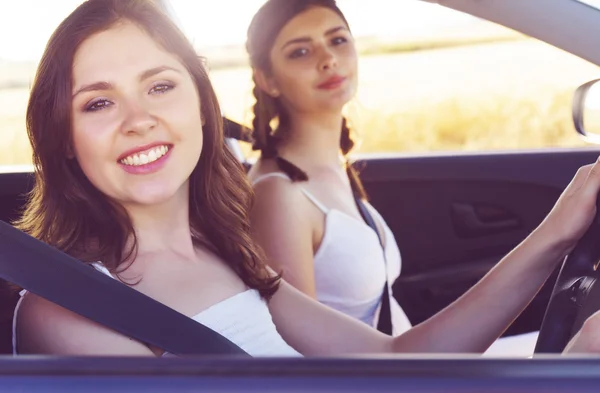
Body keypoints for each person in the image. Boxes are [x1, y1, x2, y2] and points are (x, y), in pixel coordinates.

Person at [9, 0, 600, 356]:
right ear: (62, 138)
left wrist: (556, 233)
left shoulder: (224, 253)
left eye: (161, 87)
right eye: (97, 104)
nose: (140, 121)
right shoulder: (66, 307)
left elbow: (397, 361)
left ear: (200, 107)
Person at [242, 0, 587, 355]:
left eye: (338, 40)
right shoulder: (277, 195)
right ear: (267, 79)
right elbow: (300, 361)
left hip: (414, 360)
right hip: (399, 374)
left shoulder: (333, 167)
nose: (327, 58)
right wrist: (557, 231)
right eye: (300, 51)